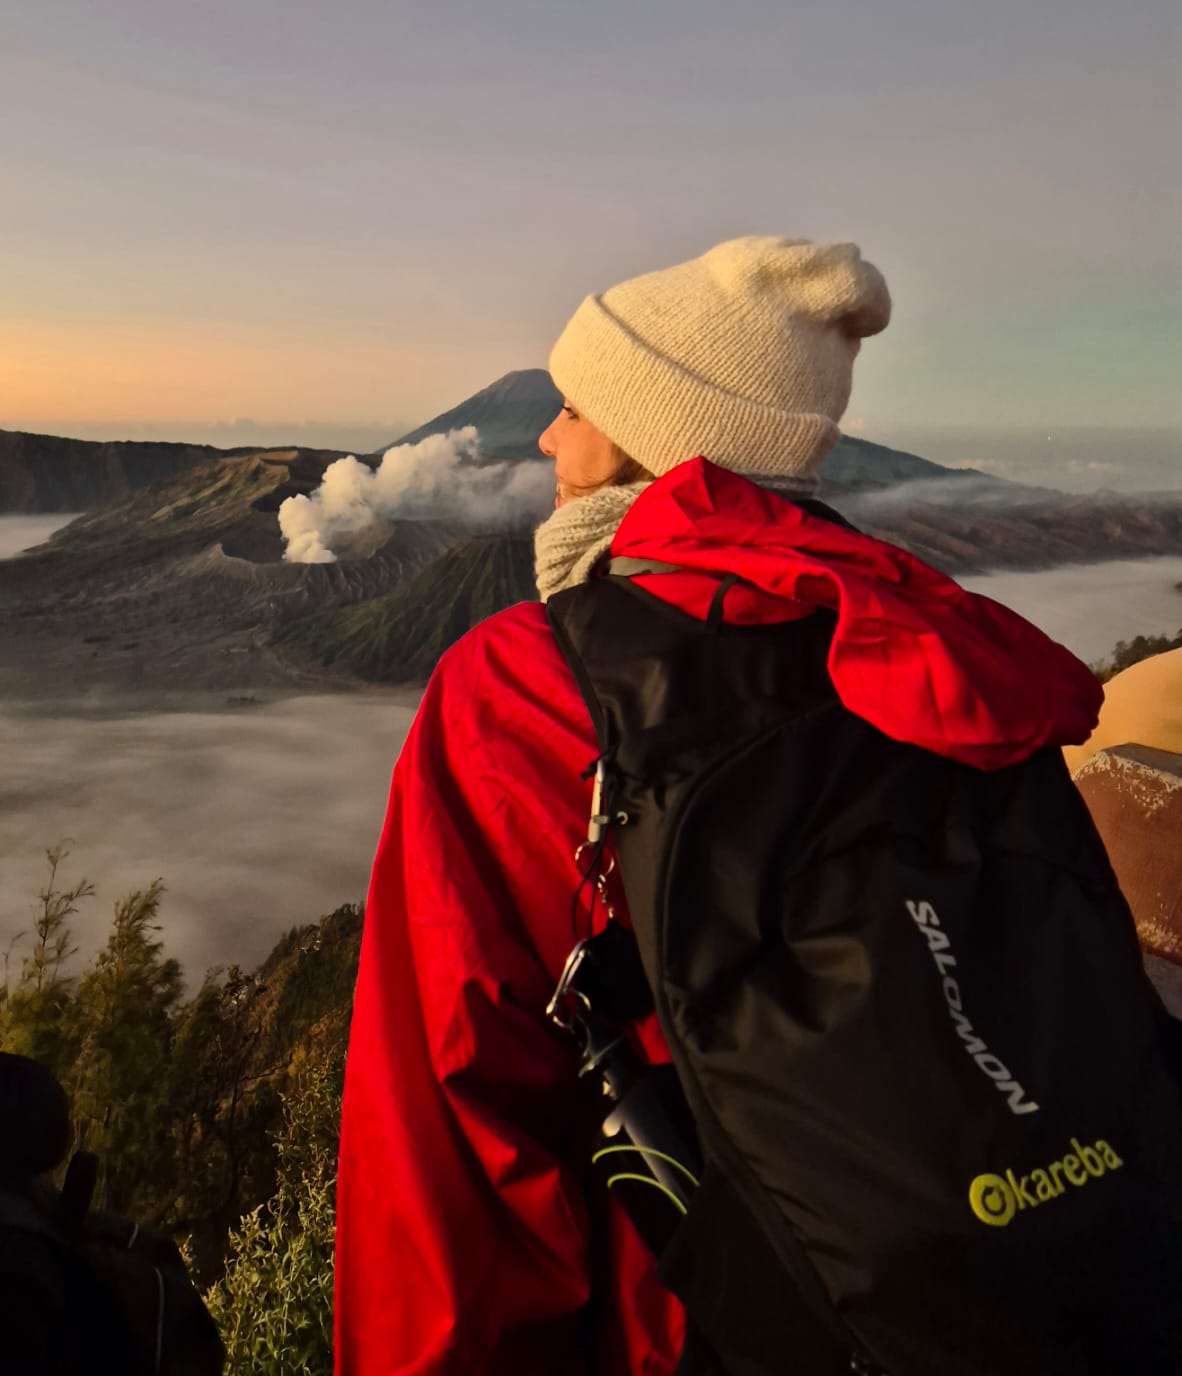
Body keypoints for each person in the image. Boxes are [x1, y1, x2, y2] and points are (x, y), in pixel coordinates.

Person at [335, 236, 1102, 1375]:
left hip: (696, 1321)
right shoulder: (941, 657)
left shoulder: (521, 692)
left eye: (576, 408)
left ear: (656, 437)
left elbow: (450, 1138)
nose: (545, 438)